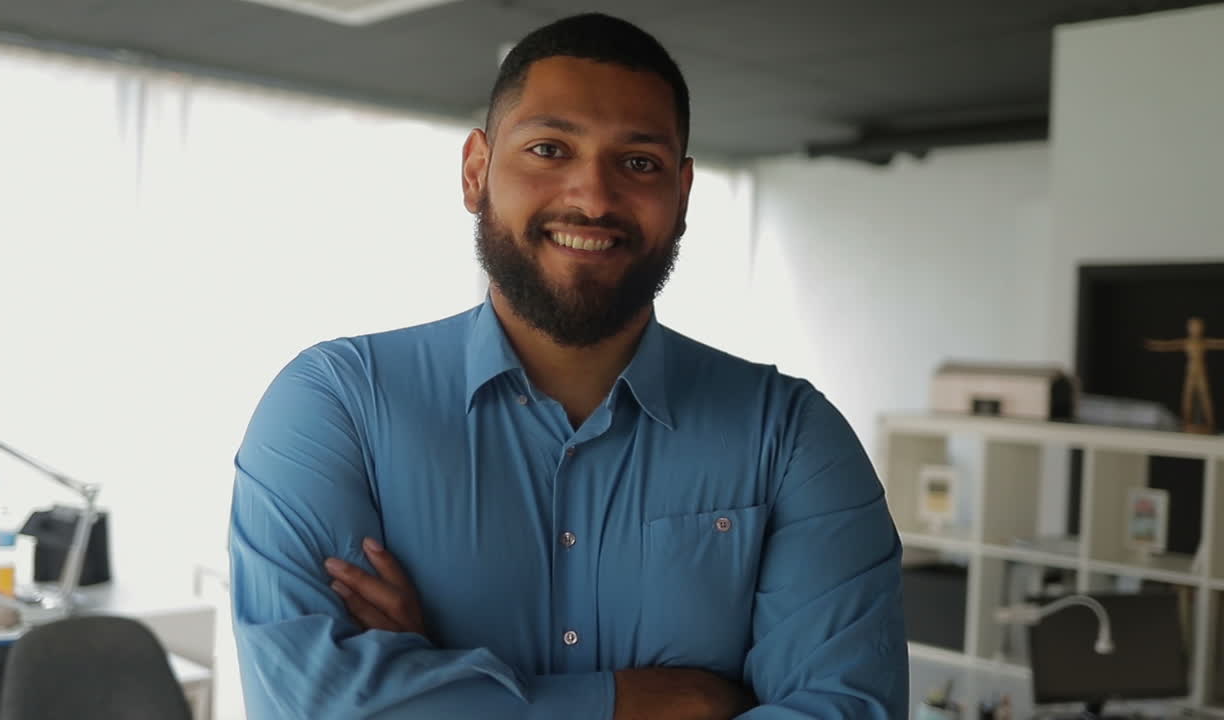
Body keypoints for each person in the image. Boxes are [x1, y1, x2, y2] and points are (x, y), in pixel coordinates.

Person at [230, 12, 907, 719]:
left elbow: (846, 710)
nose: (592, 197)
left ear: (682, 196)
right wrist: (640, 703)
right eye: (550, 148)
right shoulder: (337, 404)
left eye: (639, 163)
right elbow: (311, 705)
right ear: (476, 173)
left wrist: (436, 687)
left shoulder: (792, 436)